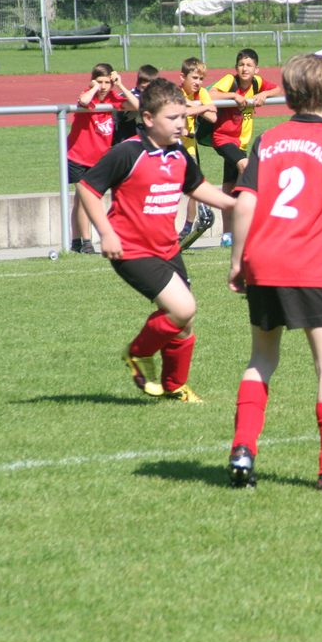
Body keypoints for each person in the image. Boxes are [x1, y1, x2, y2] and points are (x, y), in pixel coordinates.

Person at [226, 54, 322, 491]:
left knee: (261, 359)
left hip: (262, 261)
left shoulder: (268, 139)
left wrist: (237, 260)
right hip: (308, 264)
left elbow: (245, 202)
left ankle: (242, 448)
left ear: (288, 97)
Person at [74, 78, 236, 401]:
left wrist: (234, 204)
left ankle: (174, 387)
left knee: (184, 321)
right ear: (148, 118)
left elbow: (198, 187)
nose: (181, 124)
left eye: (183, 117)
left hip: (168, 249)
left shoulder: (178, 154)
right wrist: (106, 233)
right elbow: (87, 189)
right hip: (130, 249)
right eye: (173, 118)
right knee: (183, 307)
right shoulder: (128, 152)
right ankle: (138, 352)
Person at [207, 49, 283, 247]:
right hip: (223, 139)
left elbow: (278, 90)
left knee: (228, 187)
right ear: (236, 67)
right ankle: (247, 213)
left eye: (249, 65)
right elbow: (210, 94)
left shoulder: (257, 83)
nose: (245, 68)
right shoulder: (230, 81)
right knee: (245, 166)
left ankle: (227, 235)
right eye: (241, 65)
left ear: (256, 69)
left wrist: (265, 94)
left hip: (241, 143)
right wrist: (233, 96)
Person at [67, 63, 141, 254]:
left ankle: (76, 242)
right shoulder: (89, 93)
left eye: (107, 82)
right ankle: (86, 242)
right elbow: (84, 101)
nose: (104, 86)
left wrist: (120, 85)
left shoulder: (112, 97)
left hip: (97, 158)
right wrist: (93, 87)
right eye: (100, 82)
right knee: (85, 199)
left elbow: (137, 106)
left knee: (80, 200)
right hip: (78, 156)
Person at [176, 57, 218, 245]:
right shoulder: (176, 92)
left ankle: (188, 226)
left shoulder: (202, 93)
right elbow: (179, 111)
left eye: (201, 79)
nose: (198, 82)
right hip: (171, 145)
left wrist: (197, 106)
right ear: (182, 77)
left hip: (189, 145)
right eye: (194, 78)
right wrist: (199, 106)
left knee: (195, 184)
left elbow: (213, 117)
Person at [112, 64, 159, 146]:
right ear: (137, 84)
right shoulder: (132, 95)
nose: (147, 91)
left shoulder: (157, 95)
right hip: (125, 138)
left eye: (150, 87)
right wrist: (120, 85)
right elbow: (138, 105)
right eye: (144, 87)